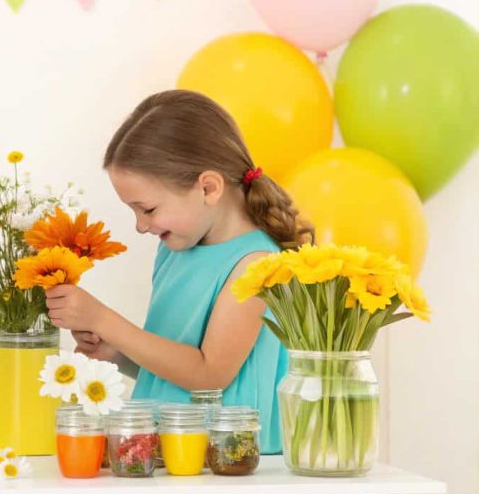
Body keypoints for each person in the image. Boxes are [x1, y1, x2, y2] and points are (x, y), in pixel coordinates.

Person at [48, 89, 314, 454]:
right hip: (174, 451)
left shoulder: (257, 266)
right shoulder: (176, 249)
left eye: (148, 209)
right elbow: (178, 368)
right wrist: (118, 353)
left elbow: (208, 375)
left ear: (208, 187)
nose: (141, 225)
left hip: (228, 458)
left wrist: (104, 320)